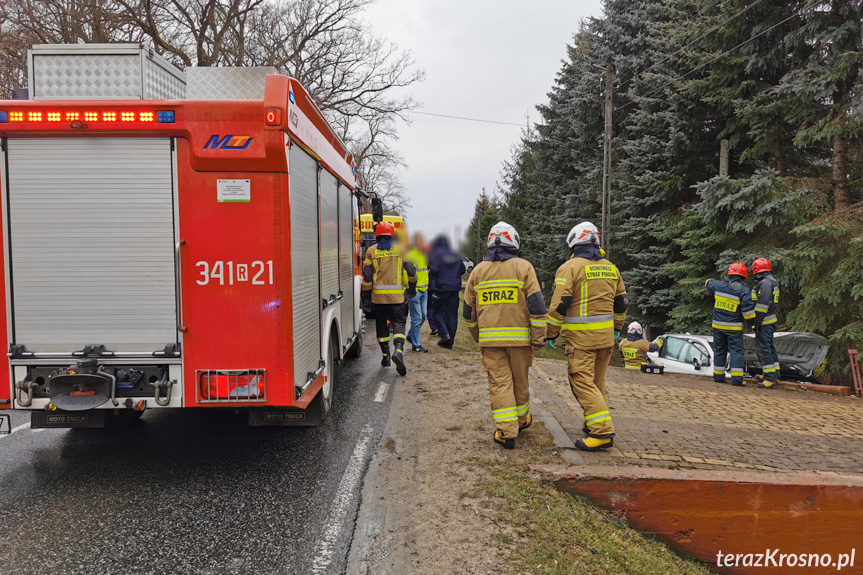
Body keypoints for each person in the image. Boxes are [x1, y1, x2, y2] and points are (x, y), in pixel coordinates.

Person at [463, 222, 547, 449]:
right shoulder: (524, 267)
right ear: (515, 242)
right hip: (520, 341)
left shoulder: (478, 271)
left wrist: (477, 336)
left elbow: (468, 313)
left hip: (491, 342)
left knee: (500, 384)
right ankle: (521, 421)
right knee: (520, 381)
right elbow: (537, 307)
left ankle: (506, 432)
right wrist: (539, 338)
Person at [546, 222, 627, 452]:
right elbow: (621, 302)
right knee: (596, 383)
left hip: (582, 340)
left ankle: (601, 432)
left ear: (573, 243)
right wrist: (617, 328)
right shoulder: (611, 268)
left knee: (581, 382)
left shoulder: (570, 268)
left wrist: (550, 333)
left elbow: (560, 304)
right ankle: (592, 423)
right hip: (605, 339)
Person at [362, 221, 417, 376]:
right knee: (399, 324)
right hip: (397, 298)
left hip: (378, 299)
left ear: (377, 235)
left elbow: (367, 275)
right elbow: (411, 270)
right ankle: (398, 351)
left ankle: (386, 357)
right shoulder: (400, 250)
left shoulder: (371, 251)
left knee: (382, 327)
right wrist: (412, 288)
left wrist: (366, 295)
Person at [705, 262, 756, 386]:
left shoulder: (718, 286)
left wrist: (711, 281)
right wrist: (754, 325)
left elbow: (707, 282)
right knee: (736, 352)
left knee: (719, 351)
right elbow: (748, 313)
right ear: (743, 276)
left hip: (717, 326)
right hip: (733, 328)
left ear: (729, 274)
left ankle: (718, 377)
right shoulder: (743, 291)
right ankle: (737, 380)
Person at [428, 235, 466, 348]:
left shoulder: (437, 254)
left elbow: (434, 269)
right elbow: (463, 269)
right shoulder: (455, 254)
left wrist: (431, 274)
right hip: (454, 288)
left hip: (441, 288)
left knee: (436, 311)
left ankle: (444, 334)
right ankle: (450, 342)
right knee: (452, 314)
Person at [750, 257, 780, 388]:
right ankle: (774, 372)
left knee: (764, 348)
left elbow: (762, 305)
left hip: (764, 322)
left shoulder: (765, 284)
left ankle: (770, 378)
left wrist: (756, 322)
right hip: (769, 320)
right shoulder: (769, 281)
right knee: (769, 347)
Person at [406, 233, 430, 352]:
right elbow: (406, 274)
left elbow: (424, 271)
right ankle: (416, 345)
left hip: (423, 290)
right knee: (416, 318)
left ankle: (411, 335)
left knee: (423, 316)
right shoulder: (410, 255)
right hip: (414, 291)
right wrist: (410, 289)